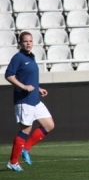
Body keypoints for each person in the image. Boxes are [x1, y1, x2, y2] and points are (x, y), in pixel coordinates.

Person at [5, 31, 55, 171]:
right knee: (25, 131)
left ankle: (26, 148)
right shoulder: (18, 57)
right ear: (20, 43)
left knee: (49, 125)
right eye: (25, 41)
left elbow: (28, 78)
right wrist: (23, 87)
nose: (28, 43)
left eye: (30, 41)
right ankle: (13, 162)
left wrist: (38, 88)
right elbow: (9, 75)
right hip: (23, 100)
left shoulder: (31, 57)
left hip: (34, 99)